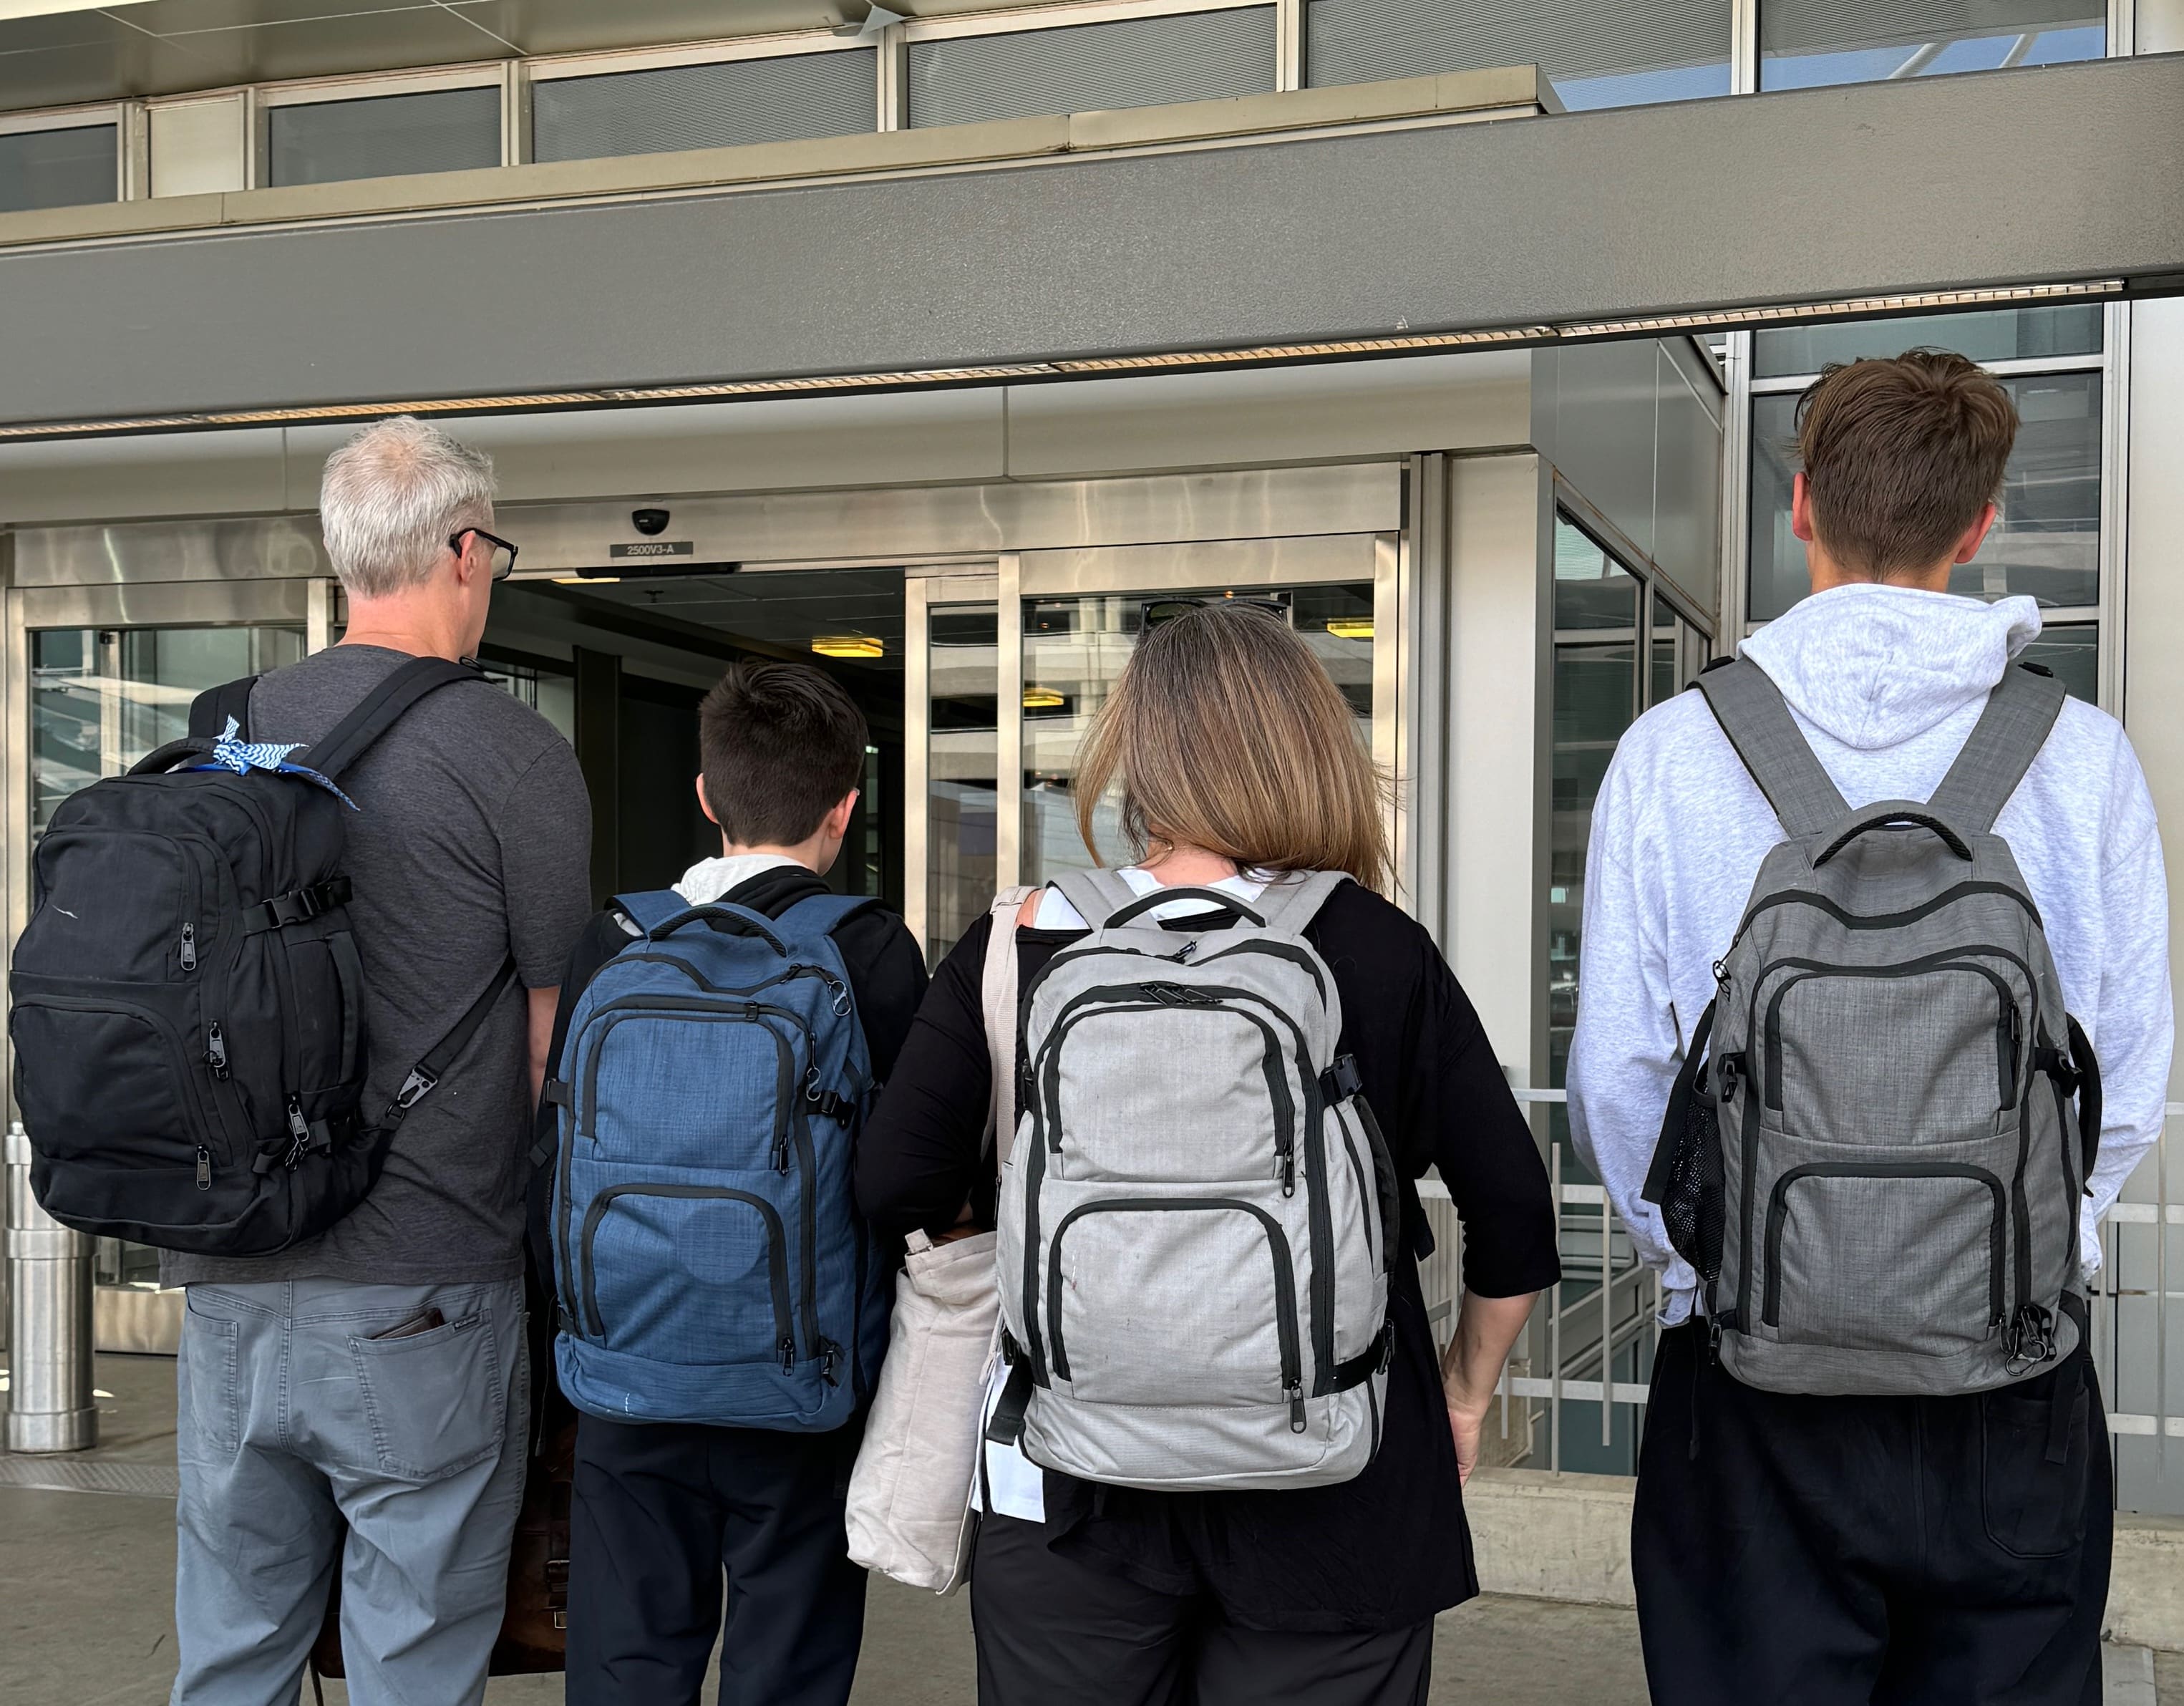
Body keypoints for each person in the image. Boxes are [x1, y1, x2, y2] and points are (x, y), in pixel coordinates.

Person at [1569, 351, 2173, 1704]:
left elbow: (1621, 1075)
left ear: (1798, 507)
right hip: (2009, 1378)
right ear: (1981, 525)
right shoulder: (2079, 756)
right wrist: (2024, 1247)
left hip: (1747, 1377)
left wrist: (1717, 1270)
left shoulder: (1674, 750)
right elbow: (2124, 1074)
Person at [858, 601, 1559, 1706]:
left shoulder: (1023, 937)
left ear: (1133, 756)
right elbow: (1514, 1220)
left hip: (1069, 1476)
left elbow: (890, 1180)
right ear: (1310, 752)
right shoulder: (1376, 945)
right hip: (1340, 1477)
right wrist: (1466, 1398)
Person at [165, 417, 593, 1705]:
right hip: (427, 1287)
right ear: (466, 550)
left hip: (232, 1274)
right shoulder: (513, 754)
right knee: (414, 1652)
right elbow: (546, 1041)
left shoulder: (227, 728)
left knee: (234, 1648)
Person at [553, 660, 928, 1706]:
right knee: (789, 1671)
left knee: (627, 1668)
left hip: (626, 1378)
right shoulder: (870, 951)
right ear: (845, 809)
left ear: (707, 796)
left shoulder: (615, 940)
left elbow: (555, 1156)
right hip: (800, 1388)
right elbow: (910, 1178)